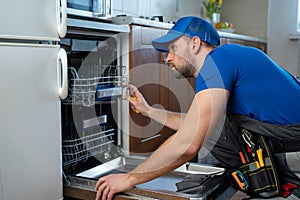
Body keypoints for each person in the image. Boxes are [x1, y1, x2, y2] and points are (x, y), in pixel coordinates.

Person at [95, 16, 300, 200]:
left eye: (173, 48)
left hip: (294, 154)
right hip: (284, 143)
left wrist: (131, 178)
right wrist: (148, 110)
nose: (167, 58)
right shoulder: (225, 62)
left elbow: (189, 142)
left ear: (195, 43)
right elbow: (195, 125)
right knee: (213, 130)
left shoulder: (219, 60)